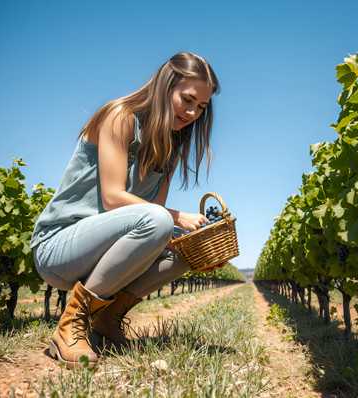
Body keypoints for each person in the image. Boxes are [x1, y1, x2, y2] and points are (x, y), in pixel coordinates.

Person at [30, 52, 220, 368]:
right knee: (163, 221)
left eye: (201, 107)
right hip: (59, 248)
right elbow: (114, 198)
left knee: (187, 249)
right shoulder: (120, 116)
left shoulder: (169, 148)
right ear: (165, 86)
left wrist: (194, 243)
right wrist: (177, 217)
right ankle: (71, 325)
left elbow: (151, 218)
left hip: (105, 251)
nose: (192, 112)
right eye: (187, 99)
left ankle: (107, 319)